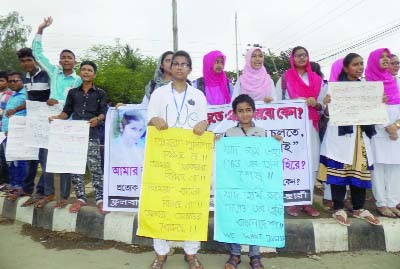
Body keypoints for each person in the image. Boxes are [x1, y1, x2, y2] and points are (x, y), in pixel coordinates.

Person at [147, 50, 208, 269]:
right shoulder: (158, 94)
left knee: (191, 204)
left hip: (190, 159)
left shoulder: (198, 95)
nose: (180, 67)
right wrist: (154, 119)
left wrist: (204, 125)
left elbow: (204, 122)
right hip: (164, 157)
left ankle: (191, 252)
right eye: (176, 63)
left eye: (184, 64)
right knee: (161, 203)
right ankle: (160, 252)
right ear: (169, 67)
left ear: (190, 69)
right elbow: (149, 120)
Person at [318, 53, 382, 226]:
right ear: (346, 68)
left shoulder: (368, 87)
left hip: (361, 136)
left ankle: (359, 208)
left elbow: (374, 114)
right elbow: (325, 115)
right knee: (340, 170)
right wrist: (328, 106)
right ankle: (338, 208)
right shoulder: (334, 88)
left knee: (359, 171)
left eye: (362, 64)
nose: (360, 67)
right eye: (355, 64)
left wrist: (379, 104)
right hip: (340, 137)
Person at [221, 94, 281, 269]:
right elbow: (223, 158)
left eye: (248, 110)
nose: (245, 114)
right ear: (234, 114)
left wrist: (275, 143)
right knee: (235, 217)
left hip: (256, 185)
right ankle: (235, 254)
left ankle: (255, 255)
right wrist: (216, 143)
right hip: (235, 184)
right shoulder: (228, 134)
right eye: (240, 111)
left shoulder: (263, 133)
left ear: (254, 112)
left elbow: (268, 158)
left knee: (255, 218)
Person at [32, 16, 82, 208]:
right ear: (60, 61)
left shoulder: (78, 80)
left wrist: (58, 101)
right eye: (63, 57)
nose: (66, 60)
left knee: (65, 160)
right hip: (49, 121)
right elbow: (38, 54)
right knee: (45, 158)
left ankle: (63, 196)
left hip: (68, 124)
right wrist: (40, 29)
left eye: (69, 57)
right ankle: (49, 193)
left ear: (74, 62)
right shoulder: (53, 72)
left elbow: (75, 102)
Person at [49, 61, 107, 214]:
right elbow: (66, 112)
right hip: (74, 134)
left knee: (95, 167)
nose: (86, 72)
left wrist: (98, 119)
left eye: (89, 70)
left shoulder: (100, 93)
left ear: (94, 74)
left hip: (92, 134)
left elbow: (103, 112)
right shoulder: (73, 92)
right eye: (84, 70)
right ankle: (81, 197)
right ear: (81, 73)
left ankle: (100, 199)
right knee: (76, 167)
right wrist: (56, 118)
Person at [276, 46, 322, 217]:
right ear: (292, 58)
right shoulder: (285, 78)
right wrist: (295, 102)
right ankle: (292, 201)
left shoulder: (316, 79)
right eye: (298, 55)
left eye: (304, 55)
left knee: (310, 162)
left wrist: (315, 103)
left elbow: (323, 106)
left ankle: (307, 202)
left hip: (310, 124)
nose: (302, 58)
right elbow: (276, 102)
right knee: (292, 161)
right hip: (292, 127)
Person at [6, 48, 52, 206]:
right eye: (23, 61)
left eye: (29, 60)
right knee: (31, 158)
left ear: (35, 60)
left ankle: (42, 193)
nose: (26, 64)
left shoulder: (47, 75)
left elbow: (56, 96)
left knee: (45, 159)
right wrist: (15, 109)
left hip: (47, 121)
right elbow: (29, 101)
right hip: (33, 122)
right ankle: (27, 189)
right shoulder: (25, 79)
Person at [366, 48, 400, 218]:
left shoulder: (394, 81)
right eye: (382, 57)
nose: (386, 59)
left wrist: (397, 126)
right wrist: (387, 126)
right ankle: (381, 203)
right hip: (378, 133)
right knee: (378, 168)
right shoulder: (368, 83)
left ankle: (393, 202)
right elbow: (367, 110)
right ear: (374, 60)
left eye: (388, 56)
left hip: (396, 132)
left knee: (395, 167)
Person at [2, 72, 28, 198]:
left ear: (22, 81)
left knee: (19, 160)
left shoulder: (26, 94)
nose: (13, 83)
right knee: (10, 160)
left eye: (16, 81)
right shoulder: (12, 95)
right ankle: (13, 185)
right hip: (7, 131)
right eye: (10, 81)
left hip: (19, 131)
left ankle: (20, 186)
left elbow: (30, 105)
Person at [0, 71, 12, 191]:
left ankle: (6, 181)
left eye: (1, 80)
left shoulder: (10, 95)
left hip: (5, 130)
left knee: (5, 157)